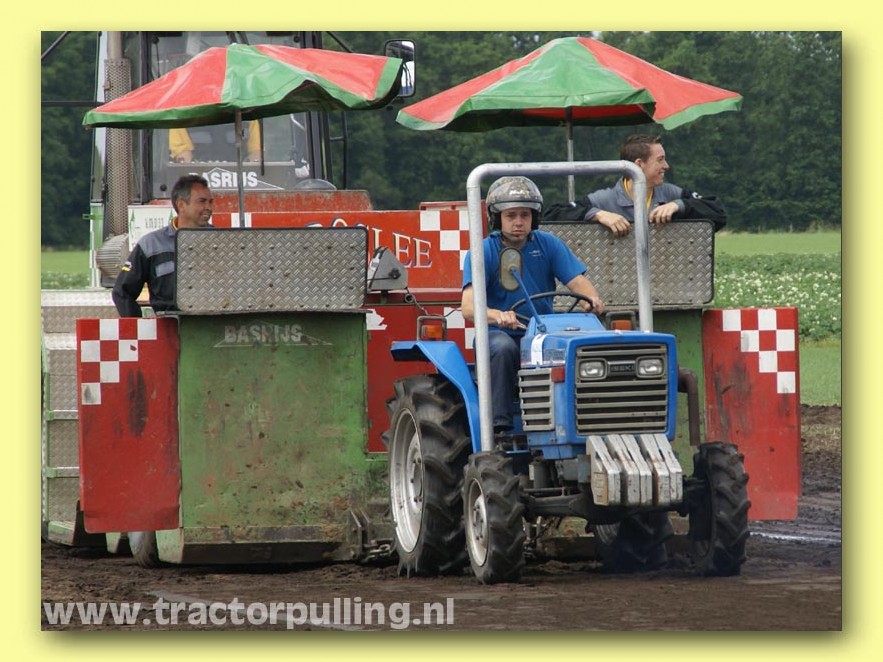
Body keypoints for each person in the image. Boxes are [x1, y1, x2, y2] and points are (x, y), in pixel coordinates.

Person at [461, 176, 605, 433]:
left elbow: (577, 281)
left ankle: (589, 419)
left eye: (525, 215)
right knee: (502, 347)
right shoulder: (483, 252)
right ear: (496, 218)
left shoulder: (548, 244)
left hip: (541, 333)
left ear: (534, 218)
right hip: (500, 333)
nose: (518, 222)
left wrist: (592, 300)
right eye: (511, 215)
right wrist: (498, 315)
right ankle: (500, 428)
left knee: (581, 345)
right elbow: (469, 308)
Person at [112, 174, 214, 317]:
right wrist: (138, 326)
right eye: (202, 201)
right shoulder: (151, 245)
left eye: (210, 202)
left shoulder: (222, 242)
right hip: (168, 326)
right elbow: (122, 292)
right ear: (181, 205)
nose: (208, 207)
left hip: (214, 326)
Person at [584, 134, 687, 237]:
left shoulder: (670, 192)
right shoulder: (605, 198)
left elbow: (698, 203)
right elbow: (573, 209)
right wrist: (600, 215)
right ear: (639, 164)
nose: (666, 166)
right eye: (660, 159)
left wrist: (677, 205)